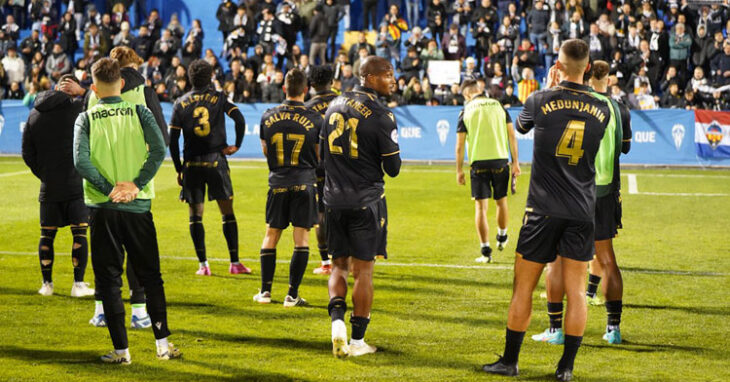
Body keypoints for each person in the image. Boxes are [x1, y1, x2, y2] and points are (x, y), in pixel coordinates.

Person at [481, 39, 610, 381]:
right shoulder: (604, 108)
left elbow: (522, 126)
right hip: (582, 209)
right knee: (577, 291)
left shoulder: (540, 99)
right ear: (587, 67)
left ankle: (510, 361)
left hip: (542, 210)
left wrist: (550, 88)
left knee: (522, 288)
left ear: (558, 64)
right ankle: (565, 369)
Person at [73, 58, 179, 363]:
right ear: (121, 83)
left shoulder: (87, 118)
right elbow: (159, 150)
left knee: (108, 279)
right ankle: (163, 346)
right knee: (150, 276)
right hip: (138, 206)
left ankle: (122, 351)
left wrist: (109, 190)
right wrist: (135, 185)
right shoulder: (139, 111)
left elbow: (81, 163)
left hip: (102, 208)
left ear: (93, 88)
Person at [533, 60, 631, 347]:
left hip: (570, 192)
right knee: (607, 260)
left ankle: (555, 329)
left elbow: (541, 127)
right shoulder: (617, 108)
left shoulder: (570, 102)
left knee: (558, 261)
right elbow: (624, 147)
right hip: (605, 192)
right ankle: (613, 329)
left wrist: (550, 87)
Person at [322, 56, 401, 358]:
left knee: (339, 266)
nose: (392, 80)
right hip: (366, 201)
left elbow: (323, 155)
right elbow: (393, 168)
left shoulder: (333, 105)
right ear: (369, 77)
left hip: (333, 201)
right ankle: (357, 341)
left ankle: (337, 324)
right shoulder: (382, 114)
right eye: (387, 75)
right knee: (364, 271)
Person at [168, 59, 251, 276]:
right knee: (227, 212)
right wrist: (237, 145)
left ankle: (203, 265)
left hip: (192, 165)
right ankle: (234, 263)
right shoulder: (219, 97)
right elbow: (240, 119)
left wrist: (179, 169)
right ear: (211, 76)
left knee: (196, 215)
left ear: (189, 78)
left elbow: (173, 140)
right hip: (216, 161)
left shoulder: (180, 103)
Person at [253, 68, 323, 307]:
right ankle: (292, 295)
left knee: (271, 235)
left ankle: (265, 291)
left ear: (284, 88)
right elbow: (318, 154)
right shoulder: (315, 118)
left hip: (278, 182)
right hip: (304, 182)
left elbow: (265, 149)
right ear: (306, 90)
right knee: (301, 237)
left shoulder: (267, 116)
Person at [21, 74, 94, 298]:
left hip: (49, 185)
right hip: (75, 183)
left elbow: (27, 153)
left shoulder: (34, 114)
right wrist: (82, 91)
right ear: (71, 89)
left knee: (47, 235)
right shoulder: (78, 110)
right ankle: (78, 284)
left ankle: (47, 284)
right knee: (79, 233)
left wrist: (44, 174)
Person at [455, 79, 520, 263]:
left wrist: (459, 170)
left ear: (467, 94)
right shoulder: (499, 106)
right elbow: (512, 136)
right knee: (501, 202)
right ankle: (502, 235)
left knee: (481, 208)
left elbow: (460, 145)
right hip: (500, 161)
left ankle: (485, 251)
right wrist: (515, 162)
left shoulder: (466, 111)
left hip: (478, 164)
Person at [304, 65, 338, 275]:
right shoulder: (347, 103)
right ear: (332, 82)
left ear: (312, 85)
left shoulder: (307, 108)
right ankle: (347, 258)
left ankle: (326, 261)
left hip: (319, 169)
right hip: (346, 167)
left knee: (321, 214)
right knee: (346, 211)